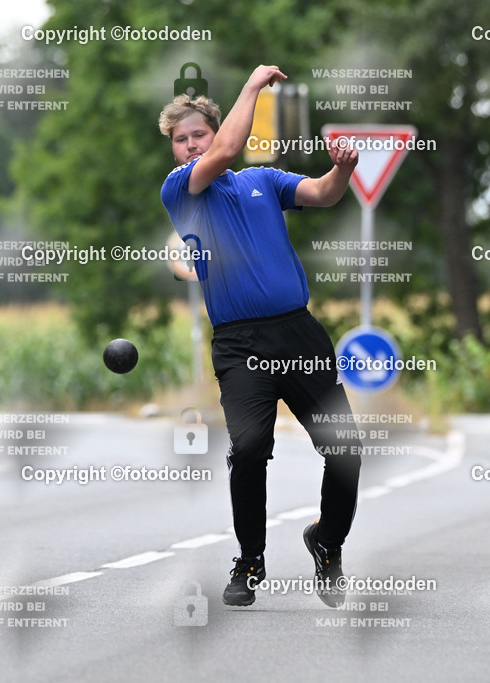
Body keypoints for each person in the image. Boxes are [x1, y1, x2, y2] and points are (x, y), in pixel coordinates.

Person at [159, 65, 362, 607]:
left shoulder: (262, 180)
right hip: (239, 344)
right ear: (174, 151)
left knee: (346, 450)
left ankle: (327, 541)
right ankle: (249, 561)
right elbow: (225, 154)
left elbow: (321, 193)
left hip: (299, 335)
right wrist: (252, 85)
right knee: (249, 450)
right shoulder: (182, 190)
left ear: (215, 128)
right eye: (181, 140)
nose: (190, 145)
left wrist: (342, 169)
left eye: (198, 133)